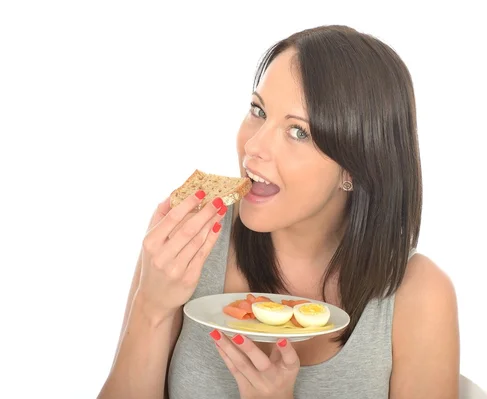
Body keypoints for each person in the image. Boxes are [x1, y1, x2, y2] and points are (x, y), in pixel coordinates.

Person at [98, 25, 459, 399]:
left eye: (298, 132)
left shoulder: (420, 296)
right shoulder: (191, 241)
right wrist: (151, 308)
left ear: (353, 167)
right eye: (258, 110)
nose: (253, 146)